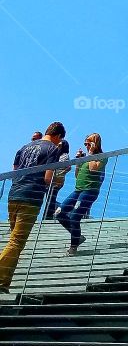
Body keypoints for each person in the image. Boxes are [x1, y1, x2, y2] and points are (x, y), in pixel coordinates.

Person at [0, 123, 66, 293]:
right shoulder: (53, 149)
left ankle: (4, 283)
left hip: (14, 195)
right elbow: (47, 178)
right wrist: (59, 180)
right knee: (16, 242)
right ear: (58, 136)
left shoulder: (24, 147)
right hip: (31, 197)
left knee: (15, 242)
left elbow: (15, 171)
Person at [56, 133, 104, 255]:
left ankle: (73, 246)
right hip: (78, 190)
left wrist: (91, 153)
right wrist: (78, 162)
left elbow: (93, 168)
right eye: (85, 143)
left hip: (90, 190)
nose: (86, 146)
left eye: (88, 143)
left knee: (75, 217)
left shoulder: (102, 156)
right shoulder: (86, 157)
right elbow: (77, 175)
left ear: (95, 143)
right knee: (59, 213)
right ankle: (77, 236)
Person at [42, 134, 72, 220]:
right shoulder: (58, 154)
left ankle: (48, 216)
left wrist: (59, 174)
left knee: (51, 197)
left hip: (56, 180)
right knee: (50, 197)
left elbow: (67, 167)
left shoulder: (64, 155)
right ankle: (51, 213)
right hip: (54, 179)